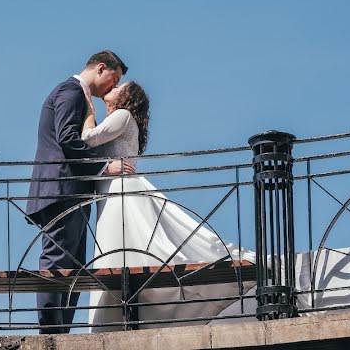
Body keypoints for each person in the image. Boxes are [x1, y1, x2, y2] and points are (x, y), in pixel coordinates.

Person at [81, 81, 249, 330]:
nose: (112, 88)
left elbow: (88, 139)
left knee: (124, 246)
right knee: (120, 248)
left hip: (119, 189)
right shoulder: (121, 118)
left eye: (119, 87)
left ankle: (124, 305)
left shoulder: (123, 115)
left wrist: (88, 110)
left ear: (126, 97)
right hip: (112, 190)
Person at [26, 50, 135, 334]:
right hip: (62, 191)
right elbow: (66, 138)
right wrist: (103, 167)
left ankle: (60, 333)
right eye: (115, 78)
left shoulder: (79, 97)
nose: (113, 87)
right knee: (58, 262)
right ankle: (51, 335)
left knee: (74, 267)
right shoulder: (71, 90)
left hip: (71, 192)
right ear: (101, 68)